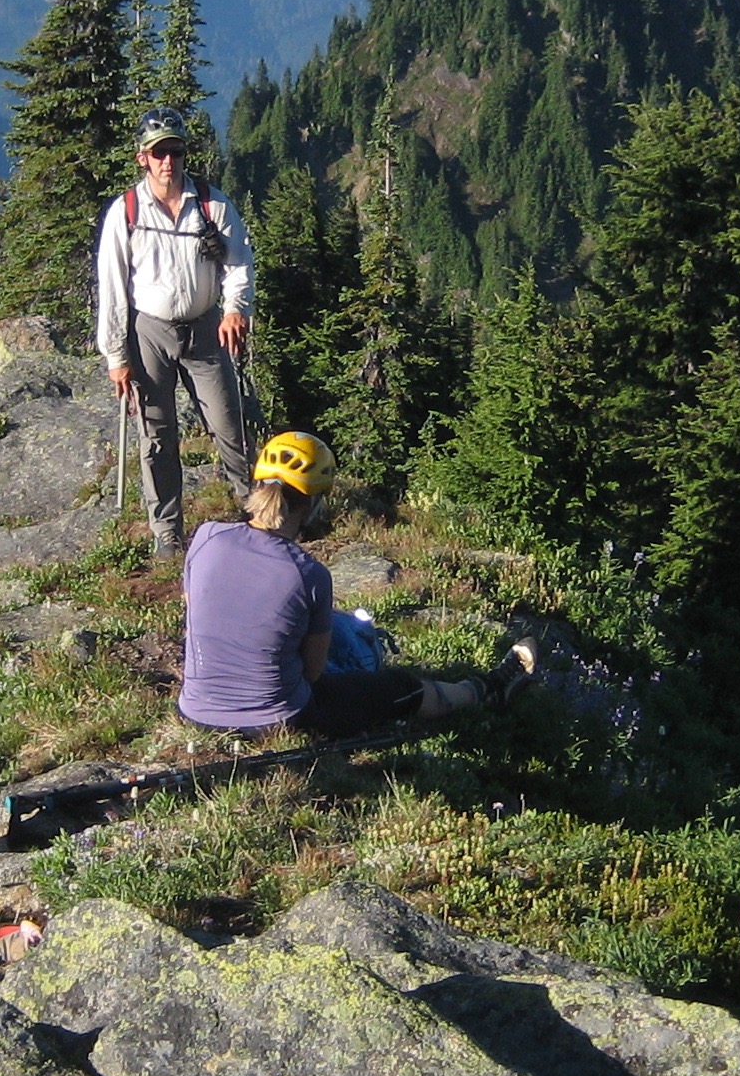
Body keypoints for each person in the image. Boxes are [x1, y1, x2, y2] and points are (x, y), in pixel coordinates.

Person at [178, 431, 530, 738]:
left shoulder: (206, 536)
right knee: (402, 688)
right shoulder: (308, 573)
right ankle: (485, 690)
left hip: (195, 710)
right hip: (279, 718)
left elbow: (196, 608)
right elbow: (313, 674)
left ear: (257, 485)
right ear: (314, 503)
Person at [96, 115, 255, 558]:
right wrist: (116, 356)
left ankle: (253, 509)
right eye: (159, 152)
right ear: (142, 158)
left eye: (176, 151)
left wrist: (234, 310)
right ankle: (166, 531)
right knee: (158, 435)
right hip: (150, 333)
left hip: (205, 329)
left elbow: (238, 264)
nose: (169, 161)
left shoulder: (213, 206)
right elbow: (112, 287)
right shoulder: (126, 213)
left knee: (230, 424)